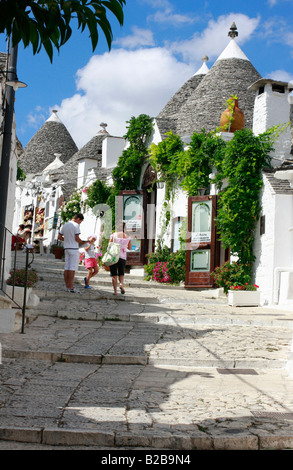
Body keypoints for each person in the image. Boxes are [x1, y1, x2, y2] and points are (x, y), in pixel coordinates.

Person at [58, 213, 87, 293]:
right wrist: (83, 242)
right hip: (73, 248)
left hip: (66, 247)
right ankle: (71, 287)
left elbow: (59, 237)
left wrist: (67, 240)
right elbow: (77, 238)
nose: (79, 223)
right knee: (72, 268)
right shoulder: (76, 225)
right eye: (80, 222)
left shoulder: (65, 225)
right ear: (78, 219)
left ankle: (67, 286)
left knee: (66, 267)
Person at [109, 223, 131, 295]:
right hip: (123, 257)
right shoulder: (127, 236)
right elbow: (129, 248)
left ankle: (115, 291)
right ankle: (121, 283)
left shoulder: (114, 235)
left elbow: (109, 245)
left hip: (114, 256)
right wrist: (124, 246)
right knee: (121, 273)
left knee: (114, 274)